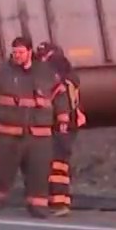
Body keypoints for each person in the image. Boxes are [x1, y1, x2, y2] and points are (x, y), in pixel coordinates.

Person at [0, 36, 73, 218]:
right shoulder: (1, 71)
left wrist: (63, 119)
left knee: (39, 171)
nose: (17, 55)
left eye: (20, 52)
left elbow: (60, 95)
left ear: (29, 52)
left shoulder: (45, 72)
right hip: (7, 134)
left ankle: (38, 206)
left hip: (39, 136)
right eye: (14, 52)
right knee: (0, 171)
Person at [33, 41, 85, 217]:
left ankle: (59, 202)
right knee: (58, 164)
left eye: (44, 56)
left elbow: (62, 103)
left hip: (63, 125)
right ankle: (59, 200)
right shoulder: (70, 76)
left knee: (57, 164)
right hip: (69, 124)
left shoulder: (60, 78)